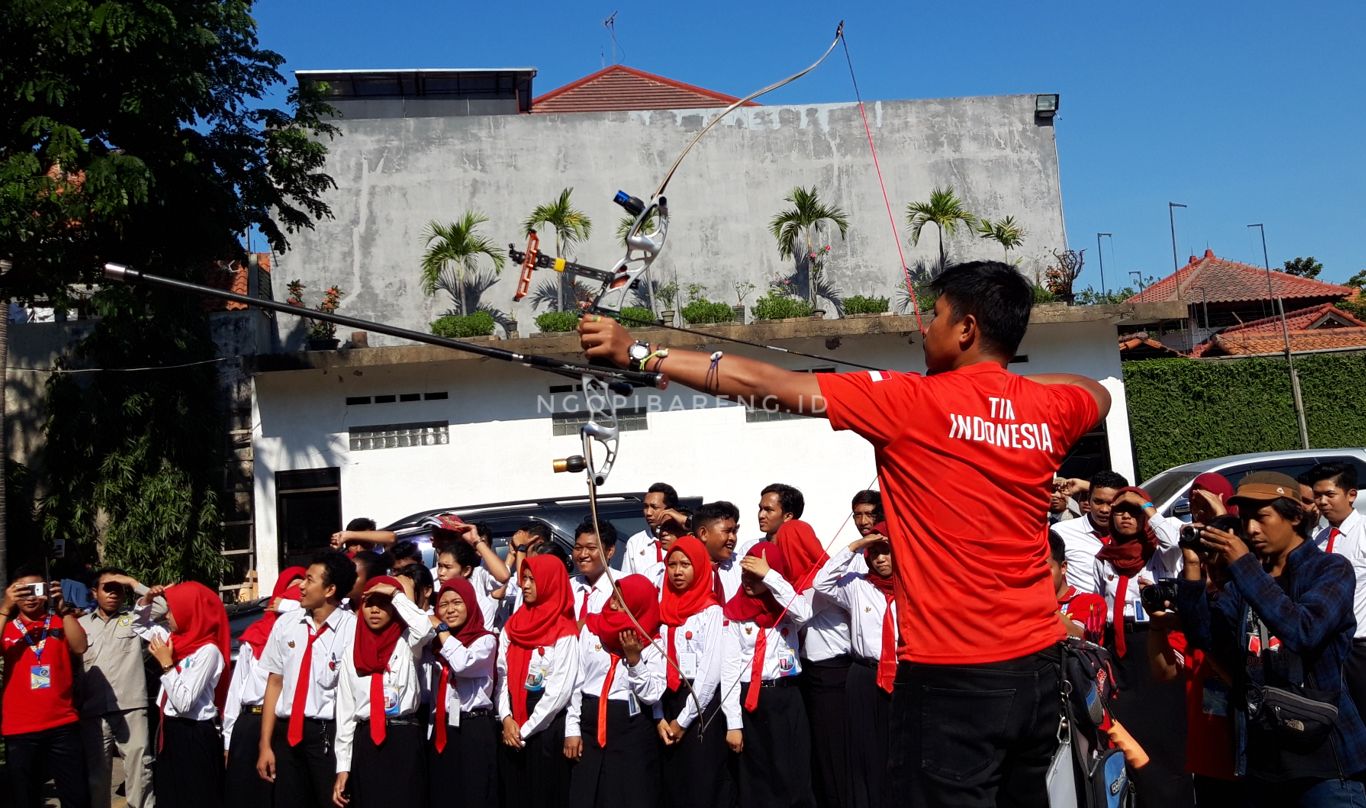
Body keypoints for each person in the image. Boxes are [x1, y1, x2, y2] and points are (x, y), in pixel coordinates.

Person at [581, 260, 1110, 806]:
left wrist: (643, 354)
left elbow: (768, 386)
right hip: (1040, 672)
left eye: (935, 316)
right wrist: (1000, 392)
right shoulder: (1049, 408)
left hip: (954, 679)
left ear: (967, 329)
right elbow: (1095, 391)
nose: (923, 328)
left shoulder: (910, 400)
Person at [1176, 471, 1366, 805]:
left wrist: (1244, 565)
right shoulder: (1245, 582)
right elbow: (1206, 639)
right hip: (1264, 765)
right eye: (1246, 518)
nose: (1250, 529)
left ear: (1295, 516)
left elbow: (1303, 631)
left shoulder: (1331, 569)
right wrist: (1192, 571)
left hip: (1325, 764)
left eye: (1262, 517)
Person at [1090, 486, 1190, 808]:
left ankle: (1174, 798)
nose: (1125, 516)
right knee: (1131, 733)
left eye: (1132, 511)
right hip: (1121, 651)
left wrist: (1146, 505)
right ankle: (1141, 795)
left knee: (1166, 733)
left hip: (1155, 643)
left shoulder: (1161, 552)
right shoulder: (1104, 557)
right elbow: (1100, 605)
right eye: (1120, 510)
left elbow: (1176, 540)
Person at [257, 551, 359, 808]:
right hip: (286, 732)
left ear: (330, 589)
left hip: (326, 735)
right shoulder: (286, 624)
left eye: (309, 580)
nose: (301, 586)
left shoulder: (352, 629)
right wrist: (265, 744)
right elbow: (274, 683)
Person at [720, 541, 815, 808]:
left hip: (786, 697)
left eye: (756, 576)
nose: (749, 582)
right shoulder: (735, 611)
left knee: (793, 772)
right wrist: (733, 724)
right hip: (752, 699)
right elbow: (729, 670)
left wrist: (771, 576)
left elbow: (804, 613)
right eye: (745, 575)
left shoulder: (785, 608)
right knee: (758, 776)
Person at [813, 523, 896, 808]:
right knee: (864, 750)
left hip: (903, 675)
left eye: (887, 552)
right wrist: (854, 546)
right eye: (875, 553)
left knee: (898, 748)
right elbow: (821, 583)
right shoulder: (857, 585)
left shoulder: (914, 585)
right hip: (864, 675)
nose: (881, 559)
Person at [769, 508, 849, 808]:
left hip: (833, 673)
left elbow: (800, 611)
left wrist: (771, 578)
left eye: (783, 545)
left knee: (832, 751)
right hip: (811, 673)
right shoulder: (800, 581)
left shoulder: (820, 583)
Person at [331, 575, 433, 808]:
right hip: (366, 741)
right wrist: (343, 767)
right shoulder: (352, 653)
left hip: (403, 736)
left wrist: (396, 595)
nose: (375, 610)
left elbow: (425, 627)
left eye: (383, 603)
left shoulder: (407, 642)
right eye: (369, 603)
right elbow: (346, 714)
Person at [566, 574, 667, 808]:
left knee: (627, 794)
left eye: (622, 601)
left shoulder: (652, 642)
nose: (613, 603)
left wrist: (635, 661)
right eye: (613, 596)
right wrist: (572, 728)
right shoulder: (592, 629)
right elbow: (576, 682)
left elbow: (652, 694)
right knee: (588, 794)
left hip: (630, 729)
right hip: (590, 725)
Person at [133, 581, 232, 808]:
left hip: (194, 733)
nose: (167, 616)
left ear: (190, 612)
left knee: (196, 796)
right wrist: (147, 599)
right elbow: (139, 626)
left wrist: (167, 665)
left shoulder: (208, 651)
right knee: (171, 794)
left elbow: (184, 702)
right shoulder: (175, 639)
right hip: (172, 729)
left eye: (172, 610)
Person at [1, 566, 91, 808]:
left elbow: (80, 647)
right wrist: (5, 607)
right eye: (23, 591)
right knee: (25, 798)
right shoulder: (8, 627)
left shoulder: (59, 622)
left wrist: (65, 610)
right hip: (19, 728)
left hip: (62, 724)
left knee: (77, 797)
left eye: (37, 589)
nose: (31, 596)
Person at [498, 555, 580, 804]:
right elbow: (500, 674)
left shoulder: (564, 630)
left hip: (543, 729)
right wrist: (506, 718)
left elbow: (559, 691)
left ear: (550, 583)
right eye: (524, 578)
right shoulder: (513, 625)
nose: (525, 585)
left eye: (533, 580)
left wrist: (523, 731)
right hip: (511, 726)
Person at [656, 535, 731, 808]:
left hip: (700, 706)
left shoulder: (709, 612)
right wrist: (659, 716)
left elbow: (710, 672)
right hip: (667, 701)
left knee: (701, 781)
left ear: (699, 567)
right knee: (673, 784)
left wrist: (683, 720)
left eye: (685, 564)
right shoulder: (663, 610)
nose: (677, 571)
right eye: (672, 564)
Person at [223, 566, 306, 807]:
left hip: (283, 726)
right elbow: (236, 691)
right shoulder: (255, 636)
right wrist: (228, 740)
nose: (297, 593)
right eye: (291, 590)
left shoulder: (307, 638)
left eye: (303, 588)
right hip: (251, 724)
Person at [77, 569, 157, 808]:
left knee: (140, 770)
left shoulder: (135, 618)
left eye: (118, 588)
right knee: (96, 776)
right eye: (107, 588)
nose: (113, 593)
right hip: (93, 711)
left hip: (130, 707)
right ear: (94, 592)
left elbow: (164, 606)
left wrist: (133, 582)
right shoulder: (79, 624)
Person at [426, 576, 498, 808]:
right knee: (444, 792)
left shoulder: (484, 640)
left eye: (457, 602)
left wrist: (441, 629)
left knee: (474, 793)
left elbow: (462, 664)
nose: (450, 610)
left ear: (469, 603)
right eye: (443, 605)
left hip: (473, 726)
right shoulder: (434, 645)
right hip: (442, 726)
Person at [1303, 461, 1366, 719]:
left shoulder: (1363, 533)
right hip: (1325, 646)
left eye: (1330, 494)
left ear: (1351, 495)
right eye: (1317, 496)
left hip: (1359, 647)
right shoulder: (1317, 540)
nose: (1322, 502)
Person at [1051, 470, 1129, 594]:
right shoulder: (1061, 532)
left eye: (1111, 503)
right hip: (1081, 611)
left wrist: (1083, 484)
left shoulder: (1133, 534)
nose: (1104, 509)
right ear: (1088, 499)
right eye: (1098, 502)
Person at [623, 483, 687, 587]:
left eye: (654, 507)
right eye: (645, 507)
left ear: (670, 510)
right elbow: (627, 583)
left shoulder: (683, 540)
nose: (648, 512)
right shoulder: (635, 542)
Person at [1045, 531, 1105, 641]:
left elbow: (1079, 637)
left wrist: (1037, 601)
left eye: (1044, 569)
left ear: (1063, 567)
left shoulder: (1090, 602)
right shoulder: (1019, 602)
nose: (1037, 575)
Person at [693, 501, 747, 600]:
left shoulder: (745, 567)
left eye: (734, 532)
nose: (732, 538)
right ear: (703, 533)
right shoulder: (682, 569)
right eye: (727, 531)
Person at [571, 519, 619, 625]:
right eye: (578, 548)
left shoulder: (621, 587)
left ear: (610, 551)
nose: (583, 554)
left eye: (591, 548)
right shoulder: (568, 587)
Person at [330, 517, 398, 553]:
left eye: (365, 544)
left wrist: (349, 535)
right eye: (354, 544)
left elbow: (392, 538)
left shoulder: (380, 555)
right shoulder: (342, 560)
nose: (359, 549)